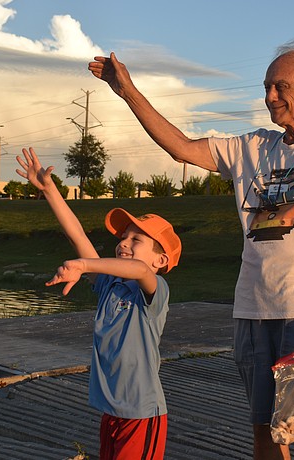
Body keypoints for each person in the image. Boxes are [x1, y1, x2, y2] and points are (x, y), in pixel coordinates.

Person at [89, 39, 294, 460]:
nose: (269, 96)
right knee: (266, 434)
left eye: (280, 87)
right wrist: (128, 91)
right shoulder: (252, 148)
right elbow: (181, 148)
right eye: (266, 87)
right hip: (253, 313)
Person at [16, 147, 182, 460]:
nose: (123, 243)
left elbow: (140, 271)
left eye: (136, 240)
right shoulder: (110, 285)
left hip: (142, 414)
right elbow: (76, 234)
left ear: (161, 259)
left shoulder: (153, 291)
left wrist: (86, 266)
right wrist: (50, 191)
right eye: (123, 237)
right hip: (112, 411)